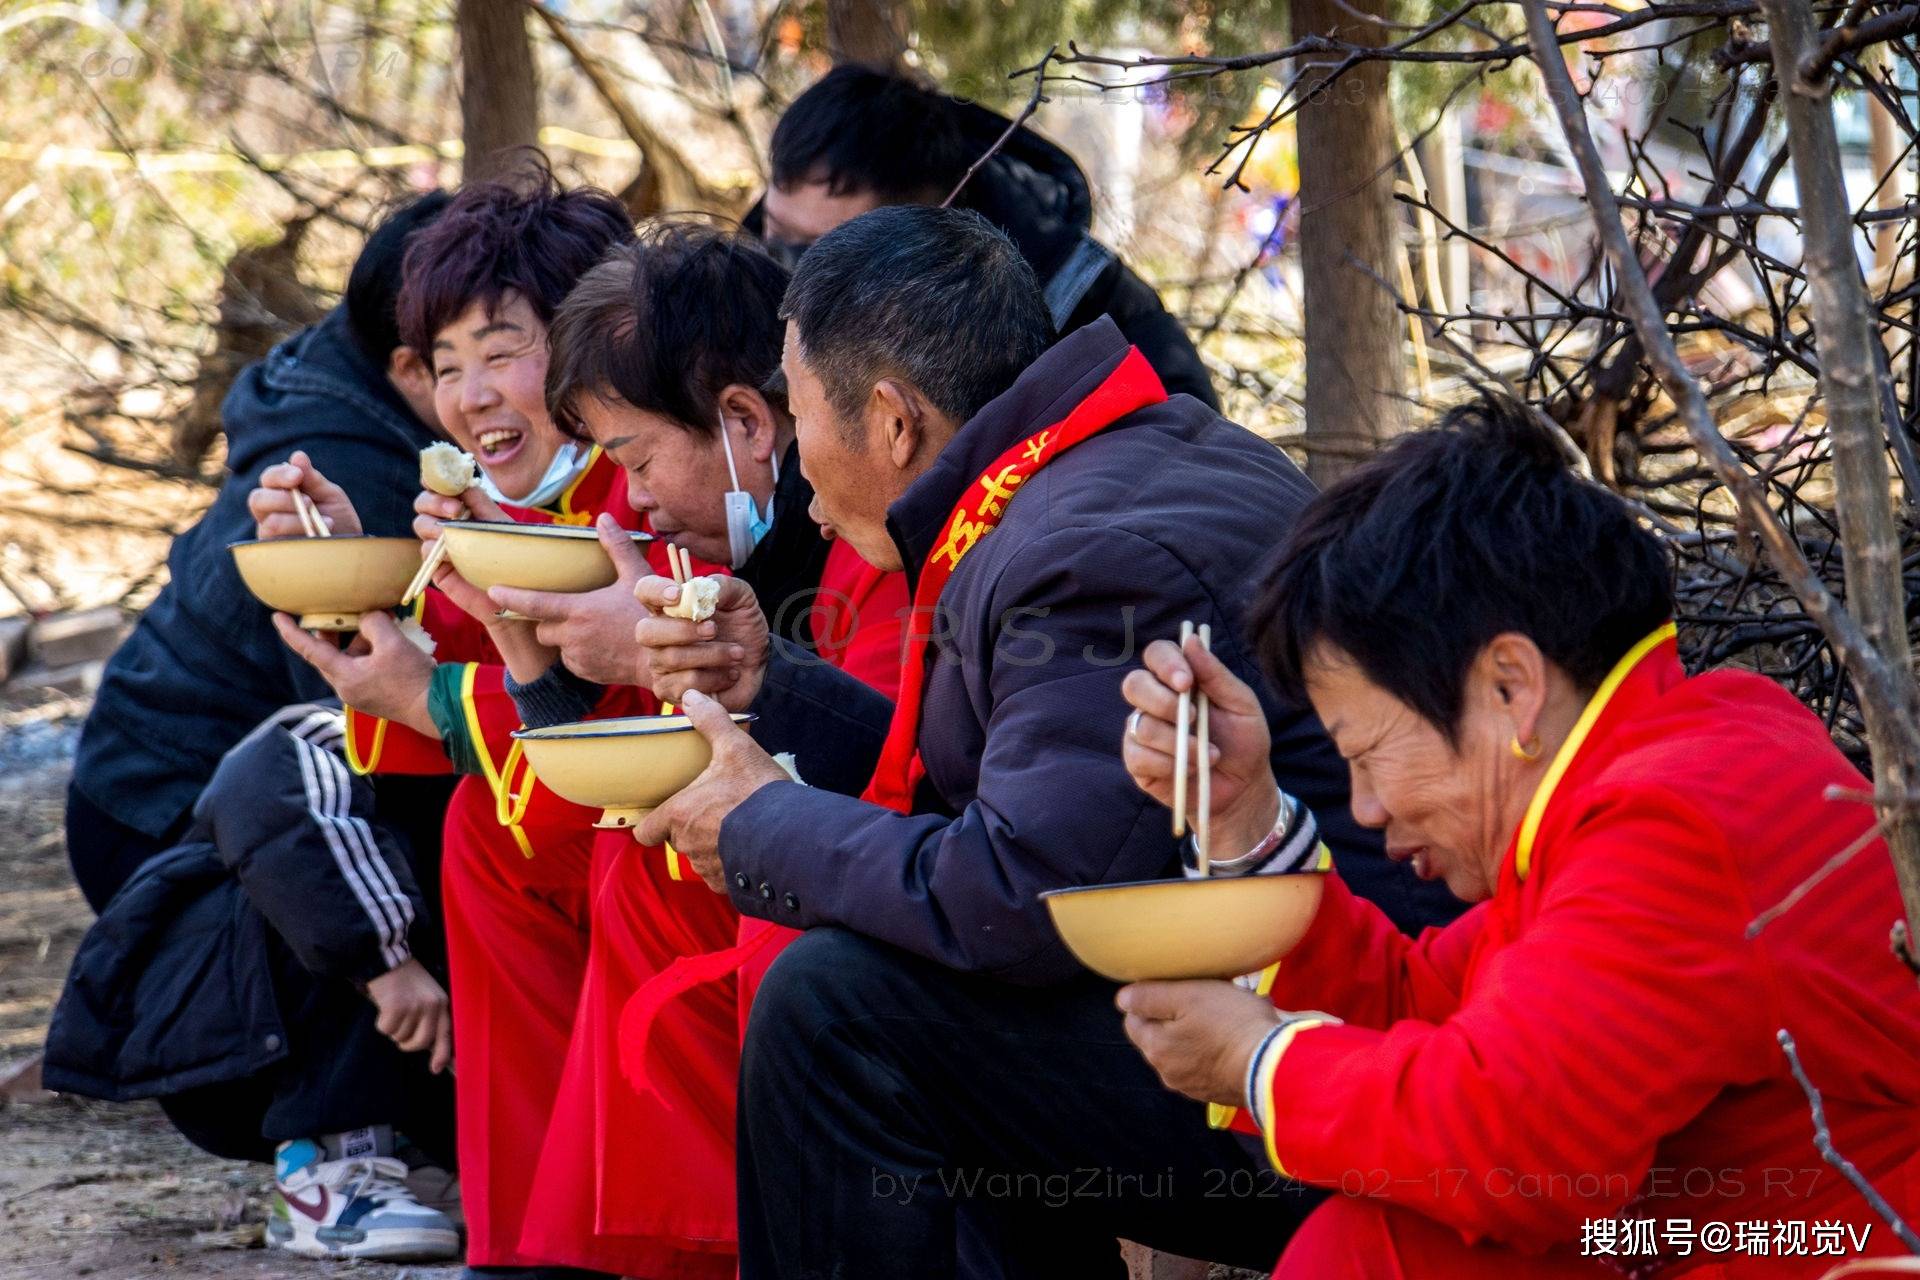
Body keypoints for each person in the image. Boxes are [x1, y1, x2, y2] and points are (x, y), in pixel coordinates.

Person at [627, 204, 1460, 1278]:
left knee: (844, 1008)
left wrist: (762, 821)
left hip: (1347, 1062)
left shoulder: (1089, 550)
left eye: (795, 410)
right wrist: (769, 686)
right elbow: (1027, 802)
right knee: (911, 986)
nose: (790, 454)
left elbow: (1014, 897)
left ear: (891, 421)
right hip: (1290, 1001)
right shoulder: (1100, 465)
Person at [1114, 399, 1920, 1278]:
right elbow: (1431, 1003)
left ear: (1510, 686)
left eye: (1369, 752)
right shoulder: (1676, 753)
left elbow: (1507, 1140)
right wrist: (1241, 815)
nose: (1368, 807)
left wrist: (1258, 1059)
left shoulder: (1673, 823)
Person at [476, 222, 905, 1278]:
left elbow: (903, 775)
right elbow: (606, 774)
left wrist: (661, 652)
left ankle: (691, 1245)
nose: (628, 495)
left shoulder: (880, 546)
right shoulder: (714, 540)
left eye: (634, 455)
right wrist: (525, 657)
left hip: (904, 914)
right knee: (515, 835)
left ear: (751, 421)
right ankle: (554, 1240)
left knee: (664, 867)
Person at [258, 166, 649, 1280]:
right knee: (474, 827)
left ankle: (575, 1234)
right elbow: (439, 683)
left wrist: (425, 693)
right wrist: (346, 573)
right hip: (538, 858)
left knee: (488, 827)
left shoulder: (642, 488)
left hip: (665, 840)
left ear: (591, 339)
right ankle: (530, 1230)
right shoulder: (502, 505)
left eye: (499, 350)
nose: (471, 396)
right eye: (443, 366)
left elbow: (619, 709)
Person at [66, 191, 450, 913]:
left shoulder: (347, 364)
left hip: (150, 776)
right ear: (412, 366)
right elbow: (384, 736)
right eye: (473, 350)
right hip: (169, 805)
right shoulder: (353, 475)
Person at [45, 702, 460, 1263]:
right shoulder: (371, 720)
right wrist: (383, 958)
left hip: (401, 1057)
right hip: (228, 1035)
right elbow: (264, 774)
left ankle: (404, 1155)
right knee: (351, 859)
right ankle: (326, 1166)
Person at [746, 64, 1219, 409]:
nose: (796, 278)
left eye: (825, 252)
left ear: (927, 226)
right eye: (778, 236)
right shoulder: (748, 282)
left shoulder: (1101, 324)